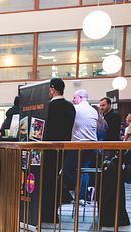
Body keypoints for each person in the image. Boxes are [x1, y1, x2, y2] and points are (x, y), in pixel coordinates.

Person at [41, 78, 76, 222]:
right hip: (63, 149)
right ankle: (53, 212)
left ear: (52, 89)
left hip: (47, 149)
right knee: (55, 179)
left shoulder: (48, 108)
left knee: (45, 181)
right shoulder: (70, 107)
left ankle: (45, 212)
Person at [65, 89, 98, 203]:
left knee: (68, 168)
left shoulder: (76, 109)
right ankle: (82, 195)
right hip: (92, 144)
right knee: (84, 170)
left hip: (78, 144)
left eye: (74, 98)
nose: (73, 100)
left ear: (81, 97)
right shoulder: (93, 111)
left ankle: (79, 188)